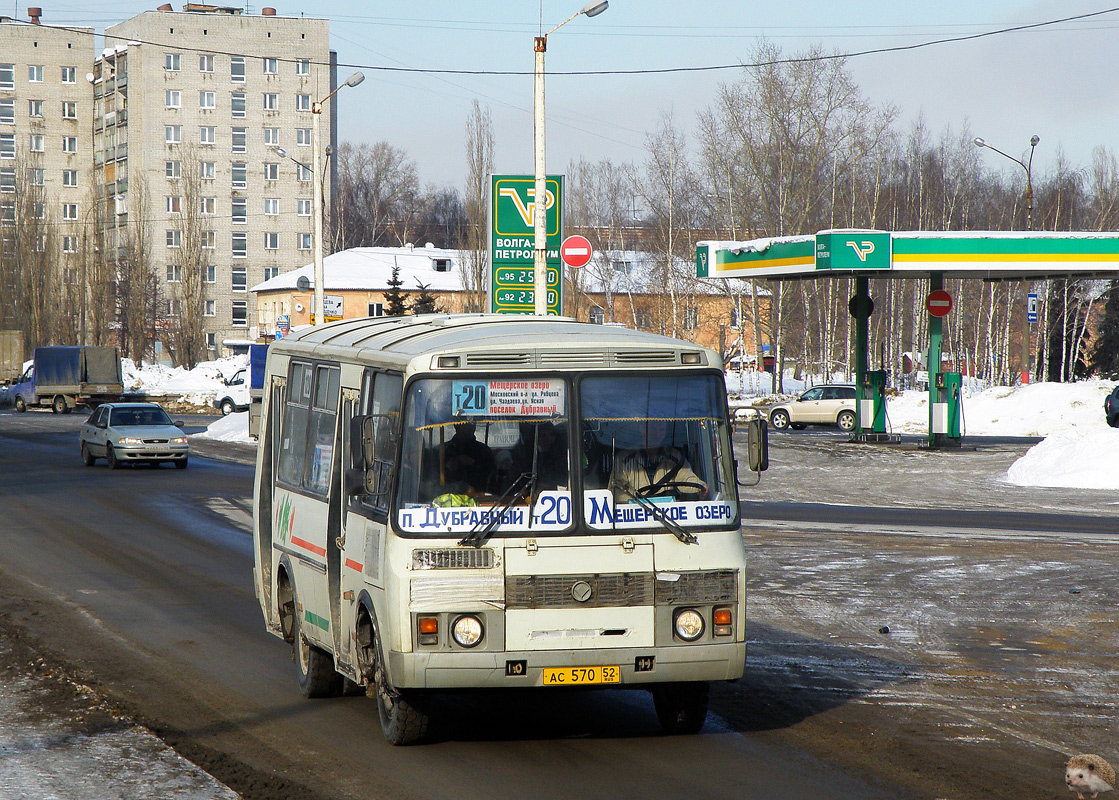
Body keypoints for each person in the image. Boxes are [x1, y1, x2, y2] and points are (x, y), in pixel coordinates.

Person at [608, 418, 707, 502]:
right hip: (636, 520)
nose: (657, 433)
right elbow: (615, 490)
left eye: (661, 429)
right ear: (642, 429)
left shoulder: (675, 457)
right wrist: (636, 503)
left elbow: (687, 478)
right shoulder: (624, 459)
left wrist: (700, 487)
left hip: (670, 518)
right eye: (653, 429)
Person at [441, 421, 495, 494]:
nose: (470, 427)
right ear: (456, 425)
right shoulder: (442, 450)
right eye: (465, 424)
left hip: (480, 499)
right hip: (448, 499)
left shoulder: (484, 450)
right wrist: (448, 467)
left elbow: (492, 476)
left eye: (473, 424)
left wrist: (474, 463)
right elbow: (433, 480)